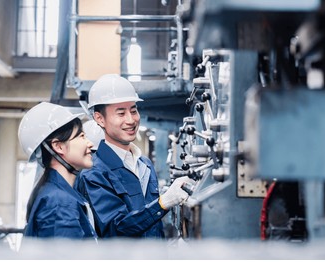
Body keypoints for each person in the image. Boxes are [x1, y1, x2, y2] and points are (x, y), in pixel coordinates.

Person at [77, 74, 194, 238]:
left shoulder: (144, 164)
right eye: (121, 113)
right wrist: (163, 203)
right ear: (100, 119)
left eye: (133, 110)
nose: (131, 120)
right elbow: (115, 229)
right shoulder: (94, 173)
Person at [18, 102, 97, 239]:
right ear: (58, 147)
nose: (90, 143)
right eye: (81, 136)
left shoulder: (58, 195)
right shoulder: (60, 203)